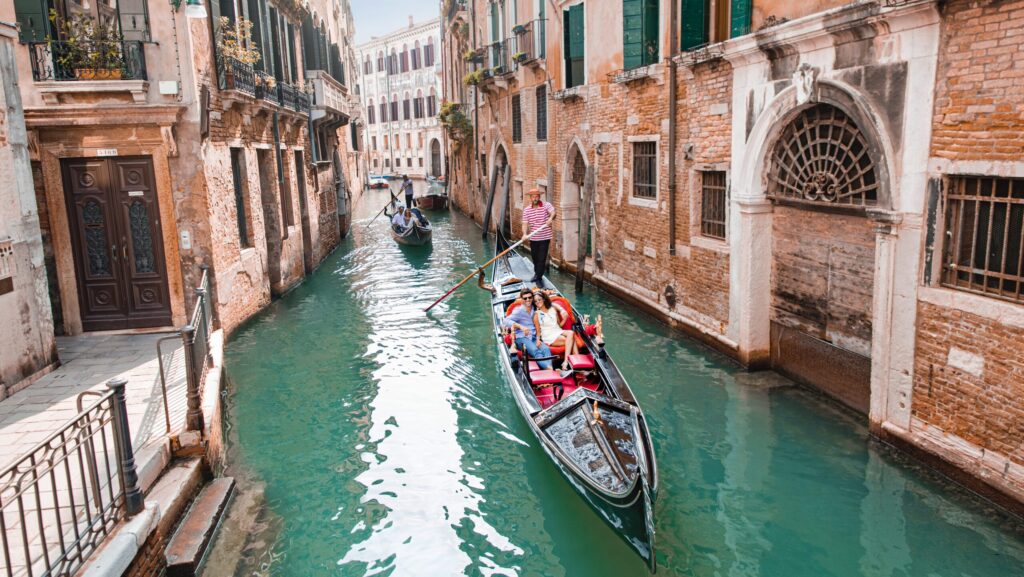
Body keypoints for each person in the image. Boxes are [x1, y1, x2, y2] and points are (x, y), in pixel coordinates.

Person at [503, 288, 554, 370]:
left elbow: (548, 304)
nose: (528, 300)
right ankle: (551, 370)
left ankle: (549, 368)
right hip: (521, 338)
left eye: (530, 297)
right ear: (522, 299)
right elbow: (505, 321)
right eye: (525, 298)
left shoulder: (535, 308)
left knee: (546, 349)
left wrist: (538, 339)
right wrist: (520, 326)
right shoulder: (518, 311)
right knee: (536, 351)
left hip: (532, 337)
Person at [531, 291, 578, 374]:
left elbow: (559, 325)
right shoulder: (536, 315)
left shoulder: (552, 309)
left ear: (544, 299)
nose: (538, 302)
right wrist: (538, 340)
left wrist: (565, 318)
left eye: (539, 299)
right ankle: (573, 362)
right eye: (535, 301)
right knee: (571, 338)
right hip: (548, 336)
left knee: (571, 333)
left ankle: (568, 363)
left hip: (558, 331)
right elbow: (538, 331)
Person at [522, 188, 555, 286]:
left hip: (545, 237)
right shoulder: (527, 210)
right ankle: (538, 273)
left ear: (539, 197)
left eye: (537, 196)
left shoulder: (546, 205)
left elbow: (553, 212)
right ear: (530, 198)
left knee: (541, 258)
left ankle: (538, 276)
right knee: (535, 257)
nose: (535, 198)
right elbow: (524, 223)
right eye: (533, 197)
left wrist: (550, 218)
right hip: (533, 238)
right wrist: (524, 234)